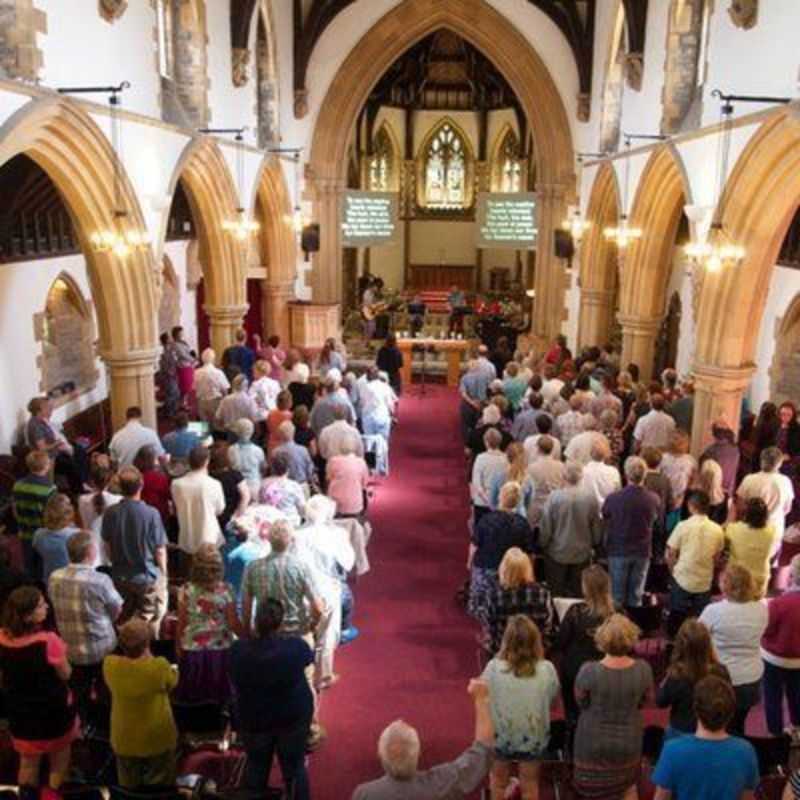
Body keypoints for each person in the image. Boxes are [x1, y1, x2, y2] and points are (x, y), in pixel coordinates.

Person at [352, 680, 493, 800]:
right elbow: (483, 750)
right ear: (418, 754)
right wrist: (481, 700)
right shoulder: (441, 784)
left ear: (380, 755)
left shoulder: (364, 794)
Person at [230, 599, 314, 800]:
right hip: (292, 719)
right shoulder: (296, 647)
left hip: (254, 720)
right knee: (294, 769)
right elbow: (308, 659)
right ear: (280, 622)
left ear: (255, 622)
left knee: (256, 768)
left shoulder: (238, 650)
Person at [0, 587, 78, 799]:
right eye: (41, 605)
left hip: (20, 711)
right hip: (53, 711)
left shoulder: (2, 638)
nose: (46, 607)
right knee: (58, 763)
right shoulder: (47, 641)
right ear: (28, 616)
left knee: (27, 763)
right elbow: (66, 674)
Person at [572, 614, 654, 800]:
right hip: (629, 742)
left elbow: (581, 702)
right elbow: (646, 701)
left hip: (592, 744)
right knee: (628, 787)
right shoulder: (644, 669)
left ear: (601, 639)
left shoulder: (588, 670)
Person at [481, 616, 560, 800]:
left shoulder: (492, 668)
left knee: (498, 782)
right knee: (530, 785)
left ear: (505, 641)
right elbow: (553, 704)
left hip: (500, 736)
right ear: (536, 641)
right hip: (533, 737)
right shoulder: (547, 669)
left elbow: (482, 699)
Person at [48, 531, 122, 725]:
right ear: (90, 551)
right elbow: (117, 609)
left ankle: (83, 725)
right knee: (106, 690)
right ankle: (106, 725)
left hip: (71, 649)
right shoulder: (100, 580)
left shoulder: (54, 577)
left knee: (79, 692)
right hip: (101, 648)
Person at [651, 675, 759, 800]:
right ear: (731, 713)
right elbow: (747, 797)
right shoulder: (745, 751)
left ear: (695, 709)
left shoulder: (672, 750)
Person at [103, 618, 178, 789]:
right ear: (147, 643)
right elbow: (173, 682)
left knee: (128, 786)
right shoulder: (159, 666)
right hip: (157, 738)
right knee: (161, 785)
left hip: (123, 739)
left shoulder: (110, 665)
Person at [699, 564, 767, 735]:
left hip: (722, 678)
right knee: (738, 724)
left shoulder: (713, 611)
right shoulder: (762, 609)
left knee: (717, 724)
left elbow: (697, 637)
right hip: (751, 678)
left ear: (726, 585)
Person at [101, 466, 168, 635]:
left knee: (125, 616)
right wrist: (164, 573)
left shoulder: (110, 512)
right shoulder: (151, 513)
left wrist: (115, 563)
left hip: (120, 575)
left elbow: (107, 545)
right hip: (146, 576)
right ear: (141, 484)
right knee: (151, 617)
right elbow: (160, 549)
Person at [175, 543, 240, 705]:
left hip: (192, 650)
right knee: (220, 699)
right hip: (221, 650)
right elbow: (233, 623)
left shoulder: (186, 590)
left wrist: (177, 646)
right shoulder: (227, 590)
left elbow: (181, 623)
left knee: (195, 697)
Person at [555, 564, 615, 724]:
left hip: (576, 671)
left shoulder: (575, 612)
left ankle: (572, 722)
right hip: (608, 671)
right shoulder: (618, 613)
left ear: (586, 588)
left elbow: (560, 643)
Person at [468, 484, 534, 623]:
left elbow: (474, 545)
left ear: (500, 497)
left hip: (486, 569)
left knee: (482, 602)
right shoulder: (522, 523)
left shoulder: (486, 520)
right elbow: (529, 553)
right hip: (512, 571)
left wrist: (469, 563)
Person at [602, 456, 661, 608]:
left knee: (616, 596)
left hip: (618, 550)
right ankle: (633, 628)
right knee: (636, 596)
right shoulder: (653, 499)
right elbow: (657, 522)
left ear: (625, 474)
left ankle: (617, 630)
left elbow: (605, 516)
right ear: (645, 475)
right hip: (642, 552)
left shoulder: (614, 498)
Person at [656, 618, 730, 739]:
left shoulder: (676, 675)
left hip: (681, 730)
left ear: (680, 645)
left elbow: (660, 702)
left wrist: (666, 678)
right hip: (712, 729)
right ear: (708, 643)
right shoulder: (721, 671)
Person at [539, 462, 601, 598]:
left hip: (557, 551)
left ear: (563, 477)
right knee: (578, 593)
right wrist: (595, 543)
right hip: (582, 553)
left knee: (556, 592)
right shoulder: (590, 498)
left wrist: (542, 544)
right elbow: (596, 527)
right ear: (581, 477)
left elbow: (546, 527)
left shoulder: (554, 497)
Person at [666, 491, 725, 633]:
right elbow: (717, 559)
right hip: (704, 582)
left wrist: (673, 572)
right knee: (699, 620)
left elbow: (671, 554)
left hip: (682, 578)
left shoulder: (682, 526)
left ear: (691, 506)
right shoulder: (717, 530)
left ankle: (674, 643)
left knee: (676, 618)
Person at [479, 547, 554, 658]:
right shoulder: (542, 593)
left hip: (502, 651)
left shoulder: (492, 594)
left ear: (503, 569)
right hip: (533, 650)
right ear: (527, 569)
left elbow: (489, 626)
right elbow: (548, 624)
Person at [760, 553, 800, 736]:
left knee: (772, 697)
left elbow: (767, 630)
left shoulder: (779, 603)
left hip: (774, 658)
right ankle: (797, 729)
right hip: (798, 660)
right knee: (796, 694)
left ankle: (774, 734)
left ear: (792, 575)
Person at [737, 446, 794, 556]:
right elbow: (787, 509)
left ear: (761, 460)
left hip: (751, 527)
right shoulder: (786, 481)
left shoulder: (749, 479)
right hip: (774, 529)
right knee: (767, 564)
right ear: (780, 463)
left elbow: (740, 507)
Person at [171, 445, 226, 556]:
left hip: (186, 539)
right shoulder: (214, 484)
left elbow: (176, 508)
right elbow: (220, 509)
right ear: (206, 462)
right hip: (210, 539)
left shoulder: (176, 484)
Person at [12, 450, 56, 574]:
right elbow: (52, 515)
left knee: (29, 566)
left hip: (24, 531)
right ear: (46, 466)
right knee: (43, 566)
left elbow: (15, 510)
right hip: (43, 533)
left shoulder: (17, 485)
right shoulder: (50, 488)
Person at [725, 497, 778, 598]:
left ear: (745, 514)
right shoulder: (772, 531)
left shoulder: (734, 528)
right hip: (760, 579)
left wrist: (731, 513)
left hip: (737, 578)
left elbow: (723, 530)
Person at [78, 458, 122, 566]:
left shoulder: (82, 500)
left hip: (90, 547)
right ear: (109, 480)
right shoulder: (118, 500)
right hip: (112, 546)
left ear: (92, 481)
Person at [32, 493, 79, 583]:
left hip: (50, 579)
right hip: (73, 581)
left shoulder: (38, 534)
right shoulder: (76, 534)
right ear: (68, 512)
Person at [208, 442, 250, 533]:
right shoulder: (235, 475)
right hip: (231, 517)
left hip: (214, 518)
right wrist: (237, 515)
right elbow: (246, 496)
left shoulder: (209, 477)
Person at [525, 435, 566, 528]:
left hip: (536, 508)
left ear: (538, 449)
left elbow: (527, 490)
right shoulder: (561, 467)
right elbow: (564, 487)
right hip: (556, 507)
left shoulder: (532, 468)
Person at [660, 430, 698, 532]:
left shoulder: (690, 460)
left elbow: (693, 478)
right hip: (667, 495)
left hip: (678, 496)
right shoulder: (663, 458)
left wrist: (685, 492)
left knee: (672, 523)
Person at [471, 428, 509, 527]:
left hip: (482, 502)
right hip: (500, 501)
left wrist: (486, 499)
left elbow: (476, 482)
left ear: (486, 442)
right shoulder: (506, 459)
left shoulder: (480, 458)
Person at [259, 452, 306, 525]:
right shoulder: (294, 486)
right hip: (290, 523)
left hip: (269, 522)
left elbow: (261, 503)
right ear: (288, 469)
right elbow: (302, 508)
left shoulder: (263, 484)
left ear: (272, 467)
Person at [326, 441, 370, 518]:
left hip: (335, 504)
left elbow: (328, 478)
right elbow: (364, 484)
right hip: (355, 504)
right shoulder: (361, 462)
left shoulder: (333, 461)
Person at [701, 421, 740, 503]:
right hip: (729, 492)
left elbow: (703, 471)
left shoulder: (711, 451)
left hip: (714, 493)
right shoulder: (736, 449)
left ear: (714, 435)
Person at [228, 417, 266, 498]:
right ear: (252, 432)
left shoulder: (231, 450)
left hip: (237, 487)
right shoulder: (258, 450)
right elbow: (263, 468)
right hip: (255, 486)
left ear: (236, 432)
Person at [134, 445, 171, 524]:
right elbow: (169, 495)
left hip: (139, 516)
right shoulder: (160, 478)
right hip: (160, 516)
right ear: (152, 460)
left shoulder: (135, 475)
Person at [272, 420, 316, 486]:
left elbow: (274, 472)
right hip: (301, 484)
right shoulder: (303, 450)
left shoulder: (275, 452)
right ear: (293, 432)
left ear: (280, 435)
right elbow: (310, 470)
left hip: (283, 486)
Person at [194, 347, 230, 424]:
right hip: (215, 402)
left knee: (205, 427)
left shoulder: (196, 372)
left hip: (201, 402)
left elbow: (194, 388)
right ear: (213, 359)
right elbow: (225, 390)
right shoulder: (218, 372)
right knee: (218, 426)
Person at [581, 440, 622, 506]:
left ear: (590, 453)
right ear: (605, 455)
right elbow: (618, 493)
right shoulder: (614, 472)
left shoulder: (583, 471)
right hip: (608, 510)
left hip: (589, 511)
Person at [170, 325, 195, 403]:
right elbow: (182, 355)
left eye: (182, 333)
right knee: (185, 386)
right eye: (180, 333)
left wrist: (193, 357)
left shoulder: (183, 342)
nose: (182, 334)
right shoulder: (175, 344)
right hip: (183, 367)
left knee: (189, 385)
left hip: (188, 366)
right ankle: (182, 402)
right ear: (176, 334)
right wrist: (193, 359)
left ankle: (185, 402)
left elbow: (189, 351)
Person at [157, 332, 180, 417]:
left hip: (173, 374)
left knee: (175, 393)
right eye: (169, 338)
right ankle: (169, 412)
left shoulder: (170, 349)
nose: (171, 339)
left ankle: (172, 410)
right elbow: (163, 364)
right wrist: (170, 373)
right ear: (166, 340)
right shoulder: (163, 351)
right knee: (171, 393)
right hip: (168, 375)